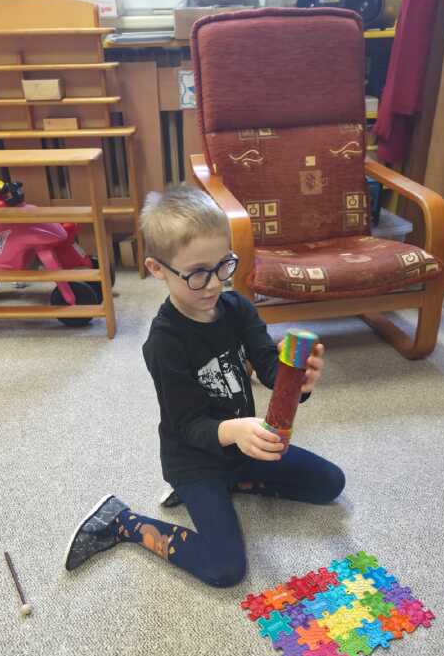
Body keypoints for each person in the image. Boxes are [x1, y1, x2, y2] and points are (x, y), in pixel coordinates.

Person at [64, 186, 345, 587]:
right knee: (224, 568)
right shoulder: (164, 343)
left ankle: (232, 484)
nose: (214, 284)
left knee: (329, 483)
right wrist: (235, 431)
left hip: (240, 449)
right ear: (157, 269)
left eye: (223, 265)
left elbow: (268, 367)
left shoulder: (238, 308)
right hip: (194, 460)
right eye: (198, 273)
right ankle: (122, 521)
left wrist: (297, 379)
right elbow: (186, 426)